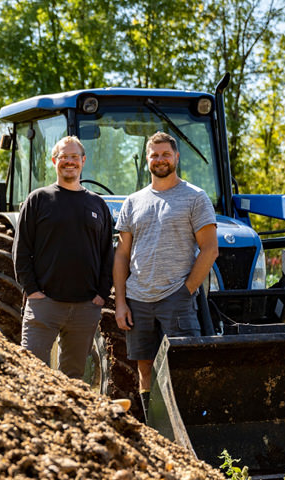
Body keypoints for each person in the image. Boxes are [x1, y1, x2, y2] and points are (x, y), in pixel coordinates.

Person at [113, 131, 218, 416]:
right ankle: (153, 425)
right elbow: (122, 255)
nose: (160, 160)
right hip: (138, 299)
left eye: (166, 155)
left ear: (176, 157)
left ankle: (187, 426)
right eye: (154, 155)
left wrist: (186, 291)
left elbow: (210, 250)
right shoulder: (133, 202)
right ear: (147, 159)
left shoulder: (195, 197)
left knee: (182, 364)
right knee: (144, 366)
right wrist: (120, 302)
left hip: (176, 296)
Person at [13, 135, 114, 379]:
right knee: (31, 373)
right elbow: (21, 250)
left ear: (83, 160)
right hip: (44, 305)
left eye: (74, 156)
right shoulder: (38, 199)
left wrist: (101, 294)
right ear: (54, 161)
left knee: (73, 379)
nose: (70, 161)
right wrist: (32, 291)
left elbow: (107, 255)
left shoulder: (98, 204)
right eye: (64, 156)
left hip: (85, 308)